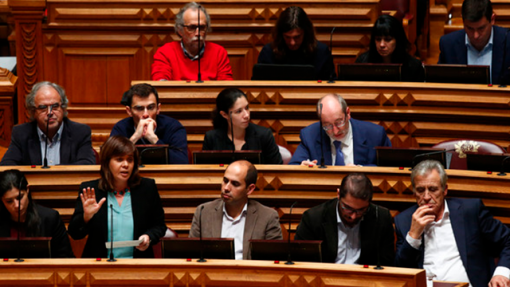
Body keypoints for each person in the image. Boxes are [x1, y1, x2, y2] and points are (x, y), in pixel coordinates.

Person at [394, 159, 510, 287]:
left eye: (433, 189)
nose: (426, 197)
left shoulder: (470, 211)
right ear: (414, 192)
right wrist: (413, 236)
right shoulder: (404, 221)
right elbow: (402, 272)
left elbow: (507, 240)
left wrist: (502, 273)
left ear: (445, 190)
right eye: (421, 190)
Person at [68, 136, 167, 258]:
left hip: (138, 264)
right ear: (107, 162)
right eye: (119, 159)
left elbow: (159, 226)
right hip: (99, 266)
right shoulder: (91, 190)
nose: (125, 165)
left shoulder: (146, 188)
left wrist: (148, 237)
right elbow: (75, 234)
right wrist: (86, 217)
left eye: (130, 160)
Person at [189, 160, 282, 259]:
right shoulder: (204, 212)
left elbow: (274, 260)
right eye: (225, 181)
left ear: (250, 189)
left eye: (235, 184)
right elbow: (191, 254)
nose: (226, 188)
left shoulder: (267, 217)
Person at [295, 173, 394, 265]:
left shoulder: (381, 217)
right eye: (348, 208)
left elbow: (386, 263)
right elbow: (301, 262)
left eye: (361, 210)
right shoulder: (313, 218)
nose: (353, 216)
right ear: (338, 194)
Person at [0, 81, 95, 166]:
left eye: (55, 106)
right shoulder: (21, 133)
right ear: (33, 111)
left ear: (63, 107)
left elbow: (87, 164)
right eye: (43, 108)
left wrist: (55, 174)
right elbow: (7, 165)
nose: (50, 112)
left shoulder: (80, 132)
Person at [289, 94, 391, 166]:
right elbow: (293, 168)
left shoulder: (375, 135)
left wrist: (360, 171)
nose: (335, 131)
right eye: (327, 126)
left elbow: (390, 169)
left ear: (348, 113)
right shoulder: (310, 135)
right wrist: (302, 167)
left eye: (339, 122)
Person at [0, 169, 74, 258]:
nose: (16, 205)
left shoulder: (50, 218)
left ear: (27, 190)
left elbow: (65, 258)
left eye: (19, 197)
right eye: (9, 201)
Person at [151, 2, 233, 81]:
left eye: (202, 27)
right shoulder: (165, 52)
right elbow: (161, 83)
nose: (197, 33)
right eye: (191, 28)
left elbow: (226, 88)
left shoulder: (219, 53)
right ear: (180, 30)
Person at [110, 83, 188, 164]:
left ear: (158, 108)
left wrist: (154, 139)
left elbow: (182, 162)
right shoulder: (120, 128)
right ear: (129, 111)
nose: (145, 114)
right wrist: (135, 137)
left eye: (150, 107)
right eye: (139, 108)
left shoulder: (173, 127)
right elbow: (109, 162)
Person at [202, 88, 283, 164]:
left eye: (247, 108)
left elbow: (277, 171)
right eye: (239, 111)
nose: (246, 115)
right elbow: (205, 173)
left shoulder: (264, 135)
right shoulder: (211, 138)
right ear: (224, 114)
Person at [438, 0, 510, 85]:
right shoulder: (448, 45)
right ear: (463, 21)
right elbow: (440, 85)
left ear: (492, 19)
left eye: (481, 28)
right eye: (470, 28)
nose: (476, 35)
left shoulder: (508, 41)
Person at [256, 6, 335, 80]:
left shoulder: (321, 52)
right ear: (281, 35)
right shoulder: (268, 52)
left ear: (306, 33)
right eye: (287, 37)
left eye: (297, 37)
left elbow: (332, 87)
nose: (292, 43)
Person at [355, 15, 424, 82]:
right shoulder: (362, 63)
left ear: (398, 40)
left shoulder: (414, 67)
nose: (382, 45)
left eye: (388, 39)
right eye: (378, 39)